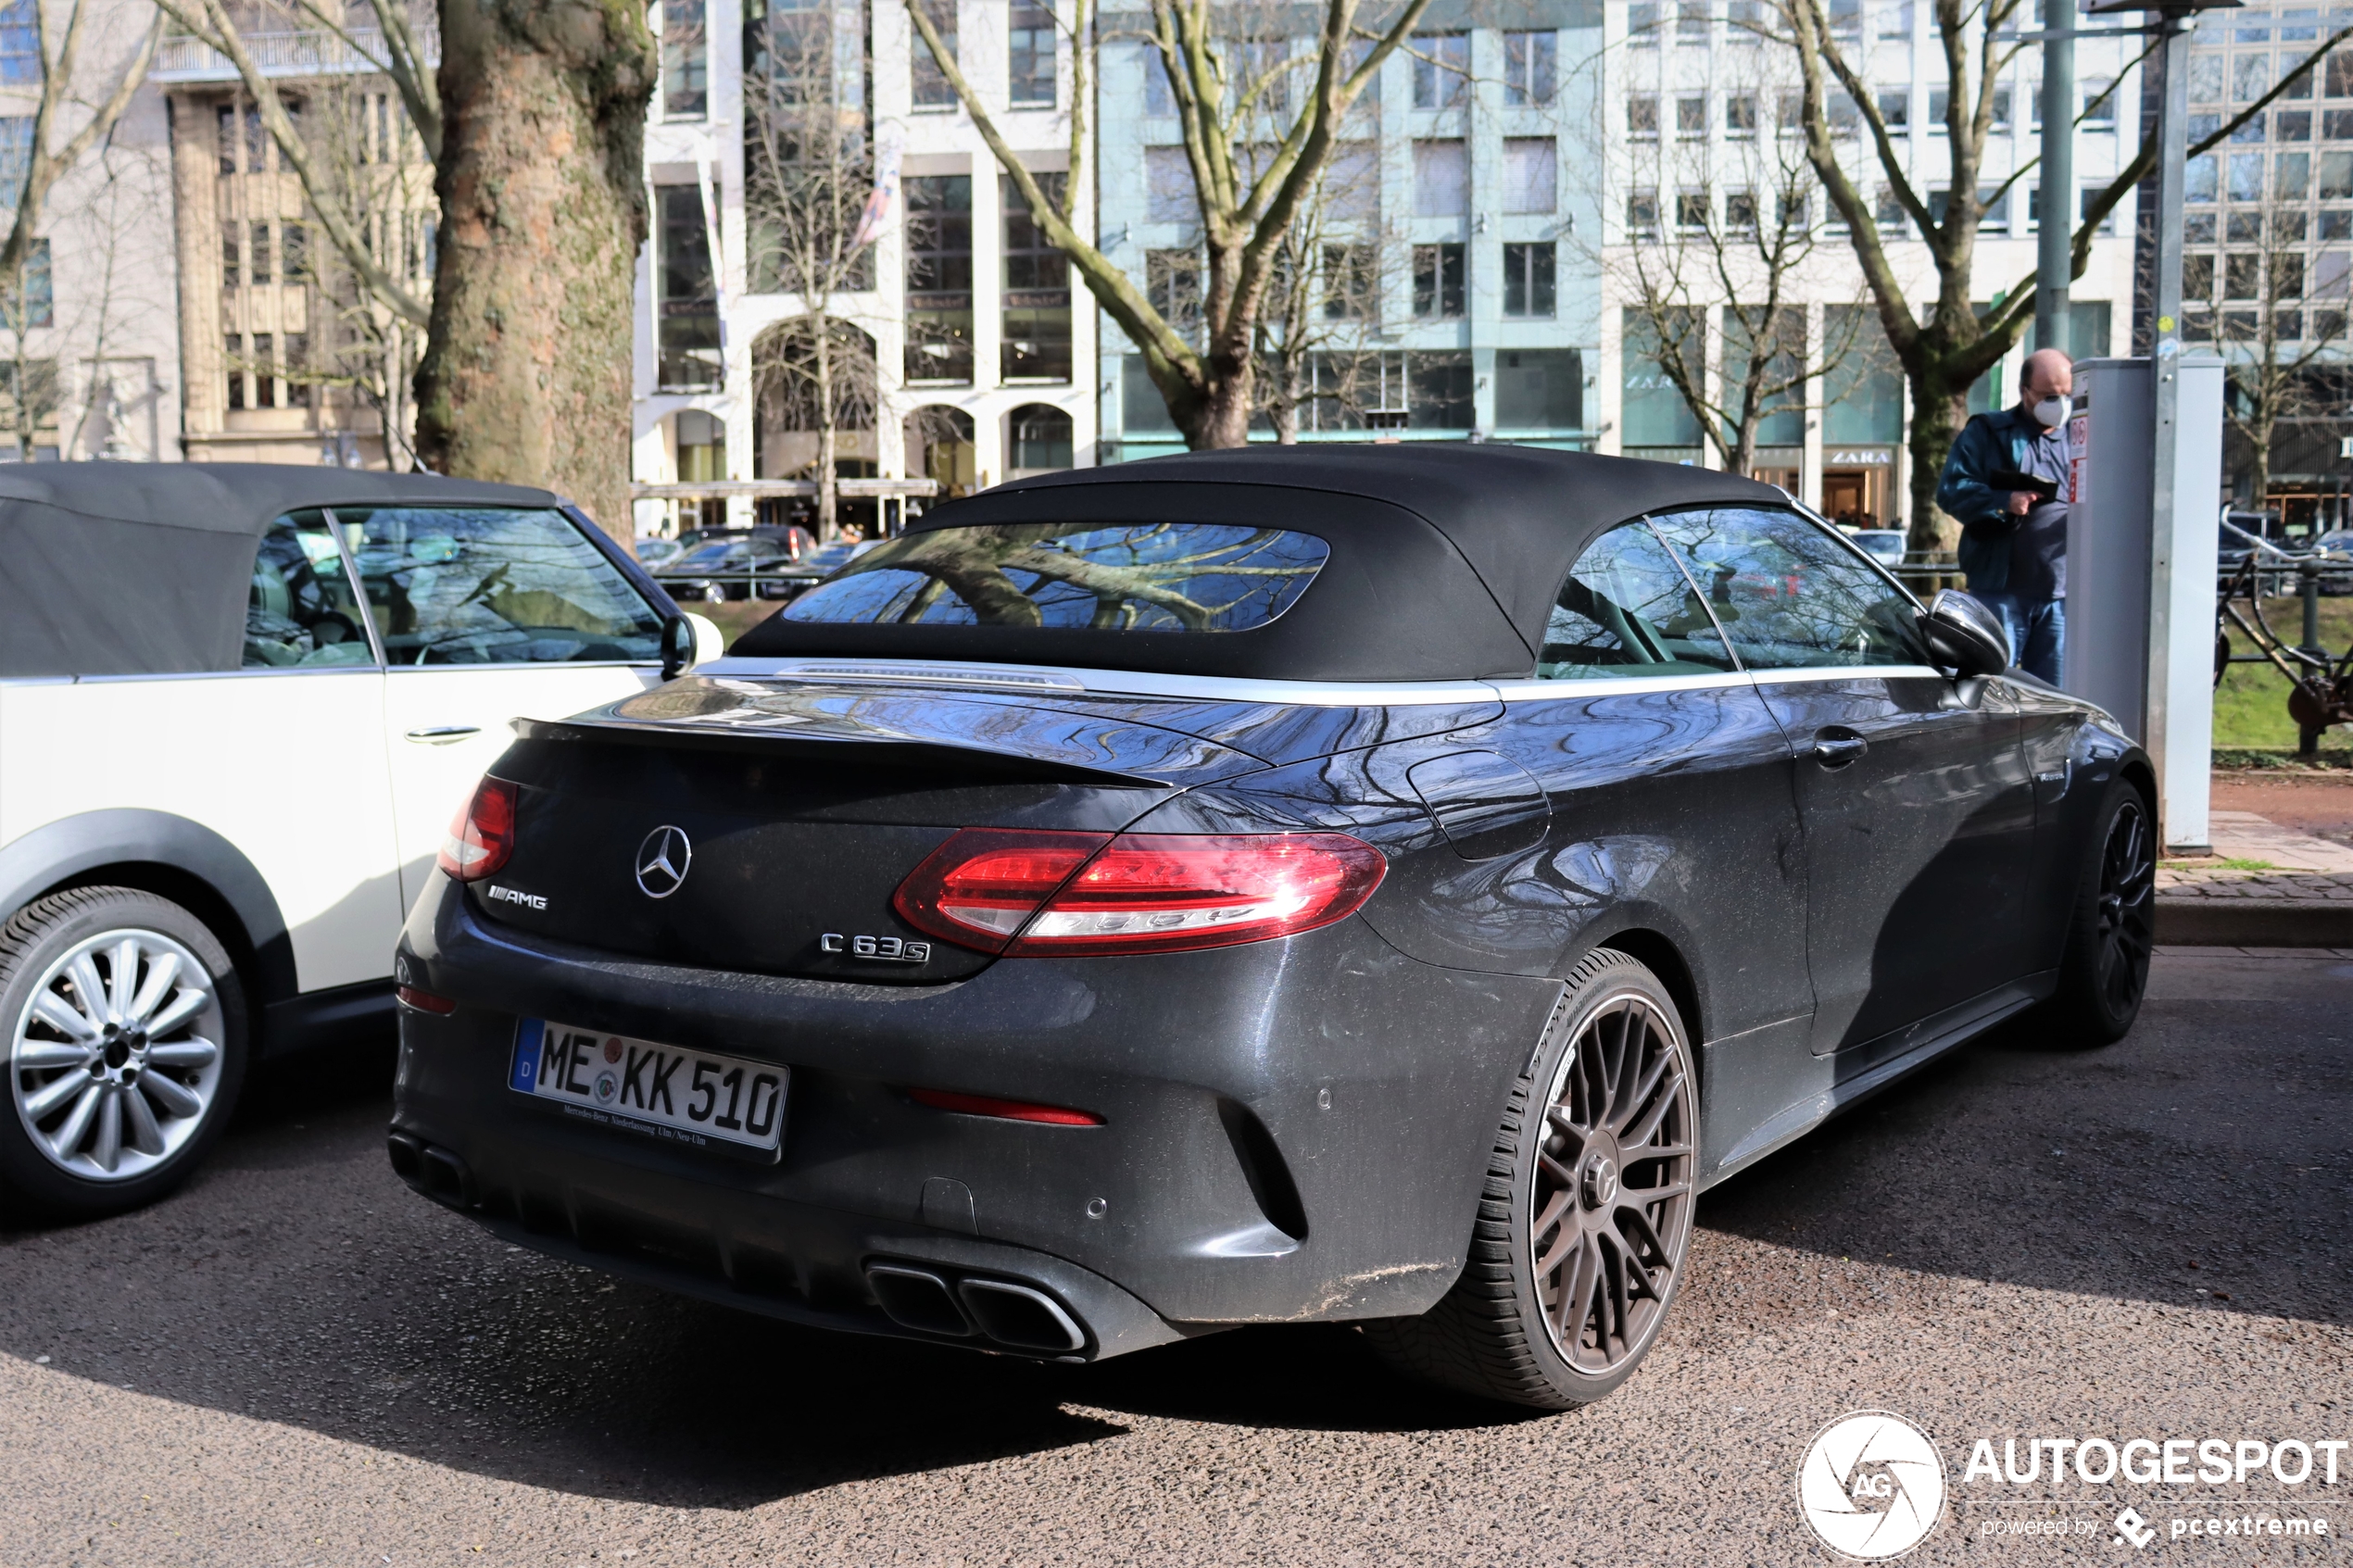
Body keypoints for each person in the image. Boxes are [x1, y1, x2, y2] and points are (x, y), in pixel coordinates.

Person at [1934, 347, 2074, 683]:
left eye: (2067, 395)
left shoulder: (2082, 436)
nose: (2060, 404)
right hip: (2002, 594)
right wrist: (2002, 500)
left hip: (2065, 594)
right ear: (2025, 392)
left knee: (2054, 696)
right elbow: (1951, 490)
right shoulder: (1988, 432)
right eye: (2049, 396)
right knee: (1993, 686)